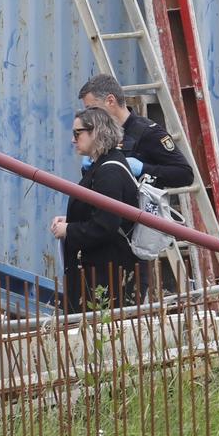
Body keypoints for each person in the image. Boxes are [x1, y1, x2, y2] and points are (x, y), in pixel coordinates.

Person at [50, 108, 145, 312]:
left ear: (96, 132)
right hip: (102, 272)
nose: (73, 140)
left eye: (78, 133)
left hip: (106, 277)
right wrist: (71, 219)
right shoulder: (102, 165)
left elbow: (106, 225)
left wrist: (69, 230)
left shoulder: (109, 171)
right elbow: (103, 212)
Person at [77, 72, 195, 191]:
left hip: (137, 208)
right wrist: (89, 170)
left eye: (92, 108)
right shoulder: (99, 134)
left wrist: (143, 169)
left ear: (110, 101)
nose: (89, 115)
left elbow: (185, 174)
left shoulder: (148, 132)